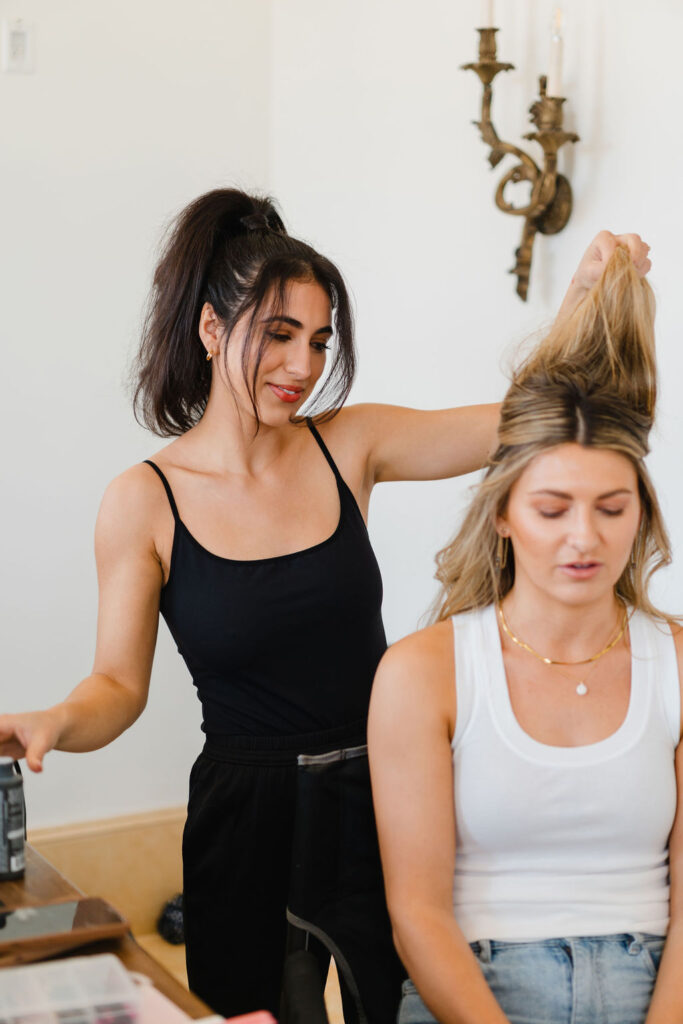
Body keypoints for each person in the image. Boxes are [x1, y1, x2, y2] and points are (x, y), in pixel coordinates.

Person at [0, 187, 640, 1020]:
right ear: (210, 328)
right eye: (278, 335)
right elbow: (116, 688)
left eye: (318, 340)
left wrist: (582, 300)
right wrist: (53, 721)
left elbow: (523, 423)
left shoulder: (351, 443)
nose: (302, 366)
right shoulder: (144, 500)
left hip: (386, 786)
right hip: (245, 814)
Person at [367, 243, 681, 1024]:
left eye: (612, 508)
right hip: (480, 990)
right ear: (503, 516)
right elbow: (417, 916)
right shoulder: (424, 673)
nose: (584, 538)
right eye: (551, 509)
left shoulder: (674, 660)